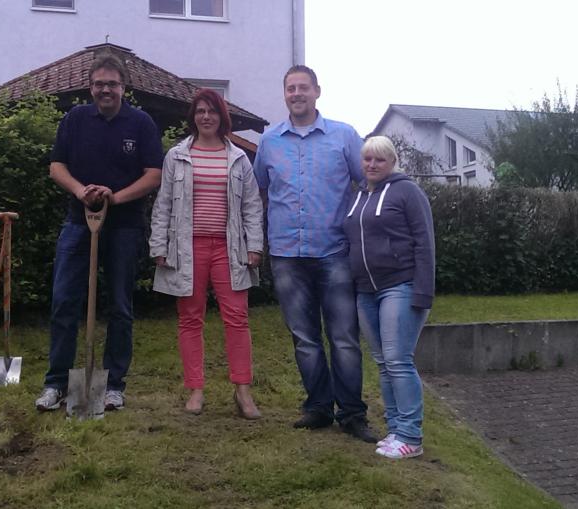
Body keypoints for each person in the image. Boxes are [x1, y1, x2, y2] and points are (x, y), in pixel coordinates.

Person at [253, 65, 377, 442]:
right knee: (304, 337)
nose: (297, 94)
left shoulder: (344, 136)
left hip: (334, 252)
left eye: (303, 87)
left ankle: (352, 413)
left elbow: (369, 183)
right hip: (287, 254)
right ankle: (318, 407)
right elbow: (260, 189)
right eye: (290, 88)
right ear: (284, 94)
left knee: (344, 337)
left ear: (317, 92)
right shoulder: (269, 141)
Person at [35, 56, 164, 412]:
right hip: (79, 223)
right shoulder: (75, 119)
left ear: (124, 87)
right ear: (90, 87)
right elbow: (56, 167)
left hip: (124, 227)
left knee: (120, 306)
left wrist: (114, 198)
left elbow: (154, 174)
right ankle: (56, 383)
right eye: (99, 84)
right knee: (64, 301)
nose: (105, 90)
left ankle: (113, 386)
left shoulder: (140, 123)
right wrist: (81, 192)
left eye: (112, 84)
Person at [149, 89, 263, 419]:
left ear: (221, 116)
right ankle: (196, 389)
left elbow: (252, 206)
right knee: (190, 318)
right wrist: (159, 246)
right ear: (193, 116)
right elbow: (164, 204)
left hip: (229, 248)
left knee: (237, 317)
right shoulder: (177, 156)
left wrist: (254, 245)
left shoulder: (238, 158)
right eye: (200, 111)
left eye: (212, 111)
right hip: (187, 247)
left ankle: (243, 390)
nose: (206, 117)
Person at [342, 135, 435, 459]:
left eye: (379, 159)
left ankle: (411, 436)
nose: (372, 164)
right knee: (383, 362)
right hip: (365, 290)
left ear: (392, 162)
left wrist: (423, 291)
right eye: (367, 158)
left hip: (400, 286)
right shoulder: (358, 196)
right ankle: (396, 429)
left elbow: (425, 242)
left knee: (398, 360)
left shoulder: (407, 191)